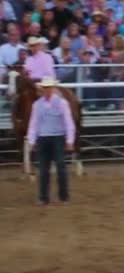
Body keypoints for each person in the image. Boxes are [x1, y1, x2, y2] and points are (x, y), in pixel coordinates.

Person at [26, 76, 75, 205]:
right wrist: (32, 140)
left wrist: (70, 140)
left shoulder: (62, 103)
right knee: (43, 169)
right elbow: (34, 124)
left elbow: (68, 122)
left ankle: (63, 196)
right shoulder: (37, 105)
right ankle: (43, 197)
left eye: (49, 88)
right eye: (45, 88)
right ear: (43, 89)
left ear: (53, 88)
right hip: (43, 138)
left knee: (60, 166)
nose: (47, 90)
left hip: (58, 137)